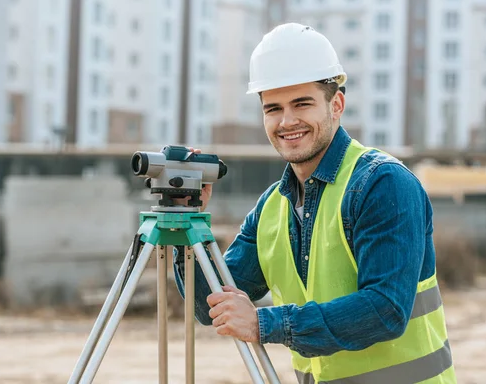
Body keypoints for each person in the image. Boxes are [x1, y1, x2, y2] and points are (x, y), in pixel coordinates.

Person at [173, 23, 455, 383]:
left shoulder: (383, 184)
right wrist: (188, 223)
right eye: (273, 108)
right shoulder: (272, 208)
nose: (287, 121)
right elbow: (209, 305)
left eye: (301, 104)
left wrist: (265, 323)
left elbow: (385, 310)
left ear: (336, 104)